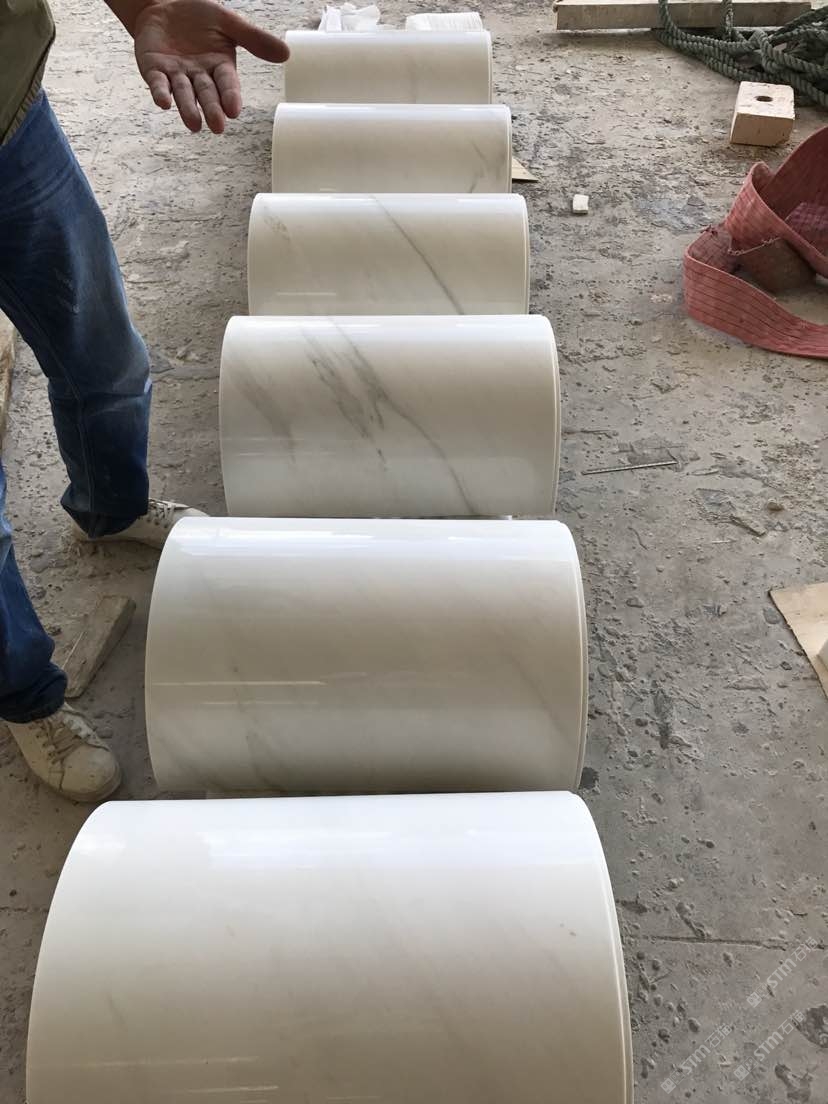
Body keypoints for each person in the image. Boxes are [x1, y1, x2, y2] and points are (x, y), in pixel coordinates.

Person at [0, 0, 289, 802]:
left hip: (9, 123)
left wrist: (147, 6)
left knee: (103, 351)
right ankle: (25, 695)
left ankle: (111, 507)